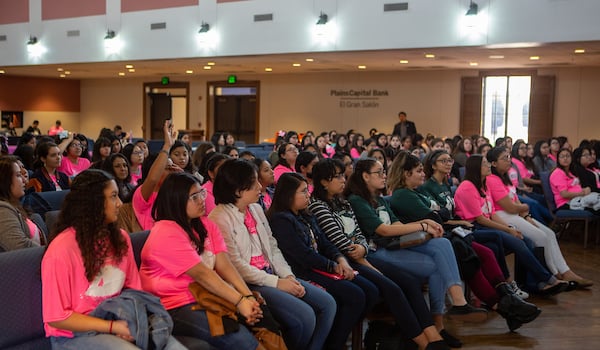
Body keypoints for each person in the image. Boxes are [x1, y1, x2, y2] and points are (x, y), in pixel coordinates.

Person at [386, 152, 541, 331]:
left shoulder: (415, 192)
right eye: (419, 171)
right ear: (406, 174)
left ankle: (507, 301)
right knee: (472, 258)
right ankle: (505, 307)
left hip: (443, 235)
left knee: (485, 252)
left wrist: (441, 215)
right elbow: (437, 217)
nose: (423, 174)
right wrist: (440, 215)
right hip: (429, 241)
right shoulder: (404, 195)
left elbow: (441, 214)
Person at [345, 158, 487, 347]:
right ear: (364, 176)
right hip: (376, 251)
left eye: (384, 171)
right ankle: (439, 324)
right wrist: (422, 224)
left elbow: (396, 224)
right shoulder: (357, 200)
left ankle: (458, 303)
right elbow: (383, 230)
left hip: (393, 244)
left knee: (443, 244)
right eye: (379, 172)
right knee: (438, 265)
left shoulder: (378, 198)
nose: (384, 176)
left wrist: (426, 225)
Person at [309, 159, 449, 350]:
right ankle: (423, 343)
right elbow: (338, 240)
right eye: (338, 176)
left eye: (343, 175)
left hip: (363, 254)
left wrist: (363, 249)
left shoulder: (342, 202)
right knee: (393, 288)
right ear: (324, 182)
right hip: (346, 260)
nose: (343, 179)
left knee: (409, 281)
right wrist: (364, 258)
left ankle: (432, 334)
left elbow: (359, 234)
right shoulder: (319, 206)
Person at [41, 169, 184, 349]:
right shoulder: (61, 249)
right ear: (93, 203)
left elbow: (134, 290)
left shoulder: (121, 238)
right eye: (113, 196)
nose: (120, 203)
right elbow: (57, 317)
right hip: (73, 336)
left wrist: (128, 322)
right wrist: (111, 327)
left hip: (120, 319)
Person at [209, 159, 336, 350]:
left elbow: (272, 246)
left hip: (272, 274)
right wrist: (277, 283)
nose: (260, 187)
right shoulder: (219, 218)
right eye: (254, 183)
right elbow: (236, 266)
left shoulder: (256, 209)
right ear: (238, 191)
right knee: (305, 317)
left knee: (328, 304)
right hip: (250, 282)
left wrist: (288, 276)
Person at [140, 172, 262, 349]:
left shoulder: (205, 224)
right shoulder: (166, 232)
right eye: (194, 197)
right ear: (177, 200)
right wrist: (239, 301)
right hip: (173, 304)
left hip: (205, 295)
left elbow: (224, 263)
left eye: (202, 194)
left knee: (263, 320)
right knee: (239, 338)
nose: (201, 200)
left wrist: (247, 296)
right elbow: (203, 274)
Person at [268, 172, 378, 350]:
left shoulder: (305, 214)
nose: (308, 195)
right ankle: (333, 343)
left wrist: (340, 259)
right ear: (288, 195)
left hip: (322, 265)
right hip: (304, 271)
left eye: (307, 190)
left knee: (371, 290)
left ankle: (339, 336)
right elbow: (302, 255)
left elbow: (325, 242)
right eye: (303, 191)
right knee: (355, 296)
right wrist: (332, 266)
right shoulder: (281, 220)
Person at [453, 154, 573, 295]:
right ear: (475, 168)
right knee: (514, 240)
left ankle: (530, 283)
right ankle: (548, 279)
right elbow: (480, 219)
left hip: (485, 225)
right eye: (485, 164)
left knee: (525, 239)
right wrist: (508, 230)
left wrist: (510, 228)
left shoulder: (483, 186)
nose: (488, 166)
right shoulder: (467, 187)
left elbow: (492, 214)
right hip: (472, 227)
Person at [485, 147, 592, 288]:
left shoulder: (506, 178)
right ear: (494, 163)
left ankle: (565, 271)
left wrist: (526, 215)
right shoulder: (492, 180)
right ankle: (554, 274)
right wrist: (523, 208)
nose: (509, 160)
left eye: (509, 156)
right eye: (504, 158)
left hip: (515, 214)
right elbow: (510, 207)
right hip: (503, 216)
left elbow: (516, 201)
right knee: (541, 237)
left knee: (550, 233)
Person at [0, 155, 45, 251]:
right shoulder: (2, 210)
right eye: (18, 175)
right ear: (4, 180)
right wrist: (51, 253)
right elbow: (20, 247)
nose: (24, 180)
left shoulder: (15, 205)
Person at [550, 147, 600, 213]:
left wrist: (585, 190)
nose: (565, 158)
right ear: (558, 159)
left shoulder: (571, 172)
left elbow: (577, 186)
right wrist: (581, 193)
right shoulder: (558, 173)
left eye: (567, 156)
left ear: (571, 158)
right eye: (562, 156)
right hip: (567, 203)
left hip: (579, 199)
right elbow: (564, 194)